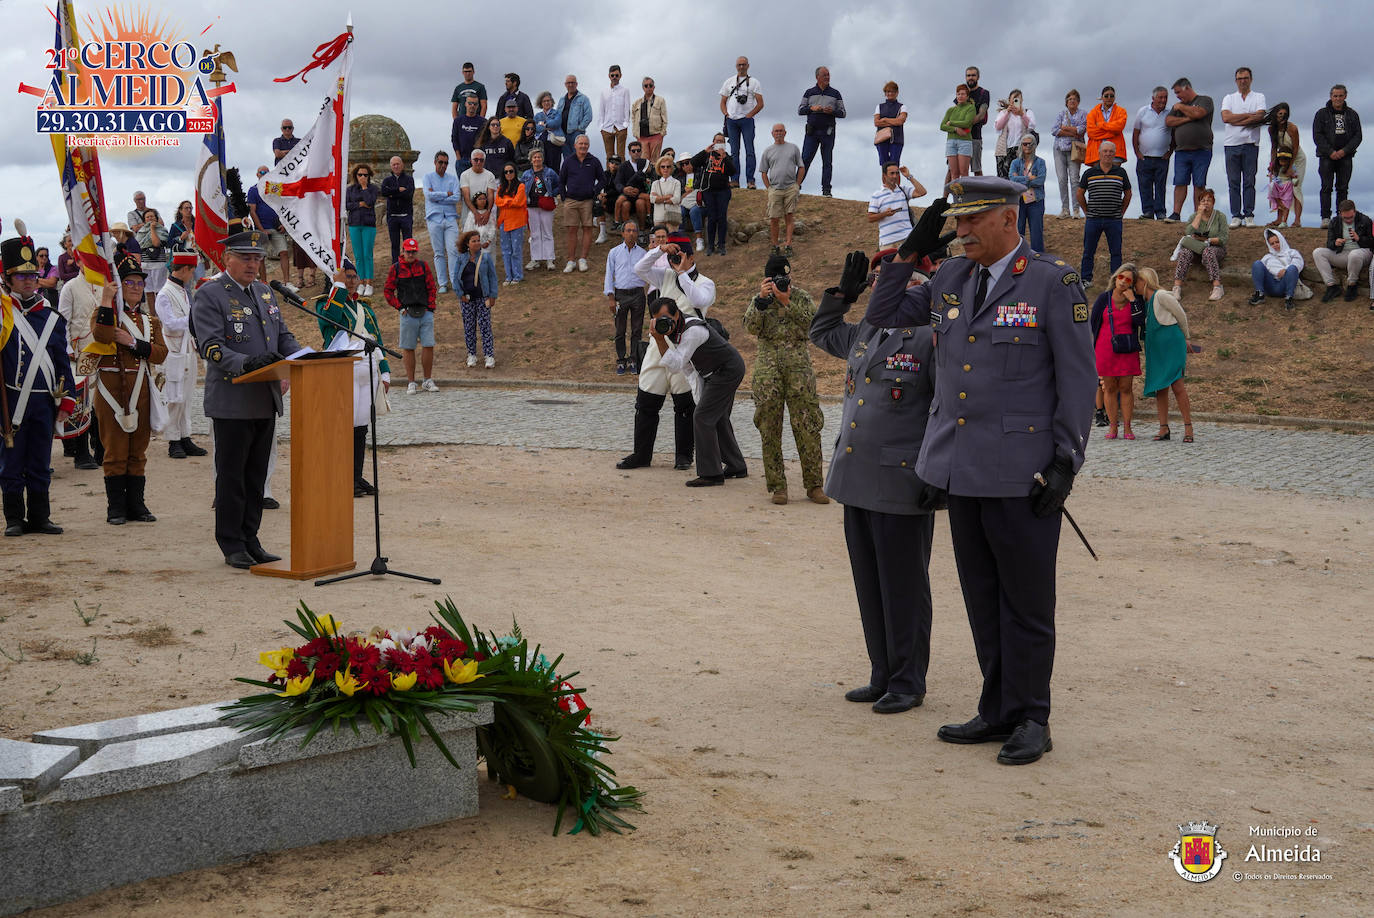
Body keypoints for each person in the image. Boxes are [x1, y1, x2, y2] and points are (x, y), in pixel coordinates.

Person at [864, 177, 1096, 765]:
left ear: (1008, 221)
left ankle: (1031, 717)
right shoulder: (949, 278)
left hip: (1023, 474)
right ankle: (996, 708)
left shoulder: (1051, 282)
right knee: (981, 596)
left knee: (1026, 601)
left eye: (971, 221)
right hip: (959, 469)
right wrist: (909, 251)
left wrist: (1066, 460)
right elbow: (886, 314)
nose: (960, 232)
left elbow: (1077, 381)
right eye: (956, 222)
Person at [811, 249, 937, 714]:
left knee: (903, 584)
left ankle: (908, 680)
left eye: (890, 279)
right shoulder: (867, 330)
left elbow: (944, 410)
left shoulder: (931, 337)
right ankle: (882, 672)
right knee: (870, 582)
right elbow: (821, 331)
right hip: (856, 476)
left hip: (902, 481)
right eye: (878, 279)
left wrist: (937, 473)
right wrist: (842, 294)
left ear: (917, 286)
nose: (880, 286)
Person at [190, 227, 302, 569]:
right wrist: (247, 363)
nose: (253, 264)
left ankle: (251, 537)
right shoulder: (210, 294)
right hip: (232, 399)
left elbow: (283, 336)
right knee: (232, 475)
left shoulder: (265, 293)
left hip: (264, 398)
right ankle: (231, 542)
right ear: (227, 259)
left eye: (257, 258)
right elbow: (211, 347)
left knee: (256, 477)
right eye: (246, 258)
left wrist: (301, 360)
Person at [1, 232, 76, 537]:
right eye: (21, 277)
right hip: (12, 400)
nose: (29, 282)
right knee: (11, 462)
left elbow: (62, 363)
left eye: (32, 276)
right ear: (8, 279)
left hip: (44, 401)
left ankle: (41, 516)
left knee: (40, 460)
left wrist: (67, 399)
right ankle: (15, 519)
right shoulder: (4, 316)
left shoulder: (53, 318)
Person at [92, 252, 168, 525]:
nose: (136, 287)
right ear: (119, 287)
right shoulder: (106, 315)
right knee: (114, 450)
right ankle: (116, 508)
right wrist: (104, 300)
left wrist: (133, 343)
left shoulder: (150, 322)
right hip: (111, 390)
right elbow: (100, 335)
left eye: (139, 283)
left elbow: (160, 353)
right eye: (129, 283)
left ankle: (137, 505)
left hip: (142, 389)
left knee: (138, 449)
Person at [744, 253, 824, 505]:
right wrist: (761, 300)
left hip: (799, 369)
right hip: (768, 371)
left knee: (808, 425)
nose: (780, 281)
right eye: (774, 277)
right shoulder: (760, 300)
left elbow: (813, 327)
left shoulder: (801, 297)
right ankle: (777, 486)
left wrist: (787, 302)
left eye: (784, 276)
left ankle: (814, 485)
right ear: (766, 278)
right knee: (769, 428)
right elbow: (750, 328)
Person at [649, 293, 746, 487]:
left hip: (727, 370)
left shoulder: (692, 331)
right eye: (658, 321)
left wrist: (659, 340)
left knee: (702, 417)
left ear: (677, 315)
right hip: (713, 373)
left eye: (666, 319)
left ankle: (711, 474)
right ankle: (736, 466)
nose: (664, 324)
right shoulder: (676, 330)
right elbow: (688, 368)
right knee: (716, 416)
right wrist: (699, 395)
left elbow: (676, 364)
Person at [314, 261, 390, 496]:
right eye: (347, 276)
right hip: (343, 368)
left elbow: (376, 338)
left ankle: (355, 476)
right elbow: (330, 319)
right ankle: (341, 475)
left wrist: (385, 370)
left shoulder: (365, 308)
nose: (352, 280)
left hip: (367, 369)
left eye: (354, 277)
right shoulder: (324, 304)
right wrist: (338, 286)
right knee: (343, 426)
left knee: (361, 426)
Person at [155, 252, 207, 459]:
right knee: (174, 396)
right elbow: (169, 323)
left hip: (187, 348)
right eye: (192, 270)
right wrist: (195, 318)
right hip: (173, 350)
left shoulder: (182, 291)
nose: (193, 275)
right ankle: (173, 439)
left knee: (186, 395)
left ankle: (185, 435)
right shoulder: (164, 294)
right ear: (185, 269)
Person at [1136, 266, 1195, 443]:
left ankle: (1188, 426)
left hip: (1171, 344)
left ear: (1145, 281)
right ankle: (1163, 427)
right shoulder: (1144, 303)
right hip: (1156, 347)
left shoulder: (1161, 296)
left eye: (1137, 282)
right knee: (1160, 386)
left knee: (1177, 385)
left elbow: (1180, 315)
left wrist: (1187, 337)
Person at [1090, 263, 1145, 440]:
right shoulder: (1103, 298)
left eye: (1128, 279)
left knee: (1126, 387)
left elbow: (1140, 322)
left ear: (1132, 283)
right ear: (1116, 277)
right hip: (1105, 349)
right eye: (1121, 277)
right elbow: (1093, 324)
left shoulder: (1135, 301)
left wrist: (1133, 301)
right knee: (1110, 388)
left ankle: (1127, 427)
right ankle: (1113, 427)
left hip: (1127, 349)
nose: (1123, 281)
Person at [56, 264, 102, 470]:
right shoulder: (70, 287)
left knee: (101, 401)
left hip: (103, 350)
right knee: (83, 402)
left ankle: (100, 448)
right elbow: (63, 322)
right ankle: (81, 452)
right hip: (79, 351)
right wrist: (67, 349)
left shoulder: (104, 286)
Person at [383, 237, 438, 393]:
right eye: (408, 251)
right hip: (407, 312)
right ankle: (411, 382)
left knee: (428, 345)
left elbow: (431, 287)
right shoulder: (396, 268)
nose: (411, 254)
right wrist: (399, 307)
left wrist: (431, 307)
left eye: (414, 251)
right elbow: (388, 291)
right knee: (408, 347)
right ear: (403, 251)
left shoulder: (423, 266)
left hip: (425, 311)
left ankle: (427, 380)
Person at [1077, 140, 1132, 287]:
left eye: (1111, 152)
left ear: (1114, 154)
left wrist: (1122, 211)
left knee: (1116, 252)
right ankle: (1085, 280)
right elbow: (1080, 194)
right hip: (1093, 219)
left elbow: (1128, 193)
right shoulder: (1089, 173)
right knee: (1088, 251)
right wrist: (1086, 211)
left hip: (1114, 220)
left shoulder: (1121, 172)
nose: (1108, 154)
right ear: (1099, 153)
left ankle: (1116, 281)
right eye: (1105, 151)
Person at [1221, 67, 1267, 228]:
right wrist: (1248, 116)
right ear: (1236, 81)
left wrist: (1237, 120)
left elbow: (1260, 116)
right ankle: (1236, 215)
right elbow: (1226, 117)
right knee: (1233, 181)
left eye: (1246, 78)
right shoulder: (1229, 98)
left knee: (1249, 180)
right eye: (1240, 78)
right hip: (1231, 144)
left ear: (1251, 79)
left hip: (1250, 144)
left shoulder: (1259, 97)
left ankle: (1249, 214)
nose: (1243, 81)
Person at [1165, 77, 1215, 222]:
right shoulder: (1177, 106)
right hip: (1181, 151)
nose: (1177, 97)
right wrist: (1187, 118)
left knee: (1199, 184)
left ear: (1187, 88)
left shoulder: (1205, 100)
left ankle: (1197, 215)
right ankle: (1176, 213)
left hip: (1202, 150)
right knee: (1180, 182)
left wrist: (1181, 108)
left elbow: (1199, 113)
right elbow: (1169, 121)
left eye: (1178, 92)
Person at [1313, 85, 1362, 228]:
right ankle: (1325, 218)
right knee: (1326, 187)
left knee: (1342, 188)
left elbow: (1358, 136)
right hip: (1326, 156)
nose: (1338, 99)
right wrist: (1330, 152)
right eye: (1335, 96)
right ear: (1330, 97)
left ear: (1345, 96)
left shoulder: (1352, 114)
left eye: (1340, 96)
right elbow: (1317, 135)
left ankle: (1341, 217)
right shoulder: (1321, 114)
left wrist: (1344, 151)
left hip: (1345, 157)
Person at [605, 220, 647, 375]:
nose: (631, 233)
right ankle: (621, 359)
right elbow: (609, 275)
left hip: (637, 294)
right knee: (620, 330)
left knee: (637, 329)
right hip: (620, 295)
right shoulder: (614, 252)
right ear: (622, 233)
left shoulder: (643, 253)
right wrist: (610, 297)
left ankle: (634, 359)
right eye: (628, 230)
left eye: (634, 231)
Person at [1172, 187, 1228, 301]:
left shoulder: (1220, 217)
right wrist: (1199, 214)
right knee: (1185, 252)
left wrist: (1207, 240)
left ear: (1213, 203)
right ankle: (1176, 287)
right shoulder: (1194, 216)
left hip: (1215, 249)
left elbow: (1223, 238)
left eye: (1209, 200)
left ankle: (1217, 287)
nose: (1206, 203)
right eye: (1203, 200)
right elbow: (1188, 232)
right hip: (1196, 249)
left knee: (1208, 251)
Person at [558, 135, 604, 273]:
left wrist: (594, 191)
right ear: (575, 145)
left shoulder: (594, 161)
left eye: (586, 144)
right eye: (581, 144)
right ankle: (571, 260)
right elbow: (561, 181)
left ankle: (583, 259)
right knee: (571, 230)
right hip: (571, 200)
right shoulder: (568, 161)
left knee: (587, 229)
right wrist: (564, 197)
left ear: (588, 146)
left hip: (587, 201)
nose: (583, 146)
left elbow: (602, 179)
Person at [453, 230, 499, 368]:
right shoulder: (461, 259)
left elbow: (493, 277)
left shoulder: (485, 258)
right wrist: (460, 294)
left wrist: (493, 295)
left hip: (482, 297)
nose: (477, 243)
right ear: (467, 244)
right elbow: (456, 278)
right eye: (474, 241)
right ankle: (471, 354)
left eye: (478, 240)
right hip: (467, 299)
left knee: (485, 327)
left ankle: (489, 355)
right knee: (469, 327)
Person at [1312, 199, 1373, 302]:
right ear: (1340, 214)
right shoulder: (1335, 222)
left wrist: (1359, 239)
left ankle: (1352, 284)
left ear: (1355, 211)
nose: (1348, 220)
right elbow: (1329, 243)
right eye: (1345, 218)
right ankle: (1331, 286)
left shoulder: (1365, 220)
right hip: (1343, 253)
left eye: (1351, 217)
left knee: (1354, 254)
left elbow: (1372, 242)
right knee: (1318, 252)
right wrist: (1335, 243)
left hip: (1362, 253)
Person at [797, 67, 844, 197]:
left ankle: (826, 190)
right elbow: (800, 110)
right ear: (817, 77)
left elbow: (843, 113)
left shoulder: (835, 93)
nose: (827, 77)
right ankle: (796, 186)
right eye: (824, 75)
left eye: (828, 75)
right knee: (805, 159)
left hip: (828, 132)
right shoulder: (809, 92)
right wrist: (812, 108)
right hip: (811, 132)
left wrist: (832, 112)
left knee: (827, 162)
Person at [758, 124, 804, 255]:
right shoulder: (768, 151)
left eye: (781, 131)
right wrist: (769, 188)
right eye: (776, 131)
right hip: (775, 189)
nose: (778, 133)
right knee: (774, 218)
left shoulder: (793, 148)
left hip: (790, 188)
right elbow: (763, 172)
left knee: (789, 216)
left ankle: (788, 245)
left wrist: (797, 185)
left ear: (785, 132)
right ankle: (775, 246)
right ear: (772, 133)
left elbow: (801, 167)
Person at [720, 56, 764, 189]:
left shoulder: (754, 82)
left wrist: (750, 115)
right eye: (739, 65)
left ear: (748, 66)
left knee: (749, 150)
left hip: (746, 121)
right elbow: (722, 101)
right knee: (734, 151)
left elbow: (760, 103)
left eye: (743, 65)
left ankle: (750, 180)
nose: (741, 67)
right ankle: (734, 179)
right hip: (732, 120)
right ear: (736, 66)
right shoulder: (729, 81)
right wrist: (726, 114)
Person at [422, 150, 460, 295]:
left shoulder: (452, 178)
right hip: (434, 218)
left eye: (445, 163)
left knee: (453, 250)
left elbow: (456, 197)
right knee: (438, 253)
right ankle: (443, 283)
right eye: (440, 162)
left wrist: (437, 196)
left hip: (450, 218)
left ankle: (455, 281)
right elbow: (428, 195)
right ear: (435, 162)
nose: (443, 165)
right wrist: (445, 194)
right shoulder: (427, 177)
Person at [247, 165, 292, 287]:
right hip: (262, 228)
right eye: (261, 171)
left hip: (276, 226)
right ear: (257, 174)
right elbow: (252, 211)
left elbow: (282, 206)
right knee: (261, 257)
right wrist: (261, 229)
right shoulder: (253, 190)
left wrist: (284, 223)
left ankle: (287, 282)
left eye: (267, 171)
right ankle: (264, 283)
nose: (264, 173)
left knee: (284, 252)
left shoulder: (275, 189)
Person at [1133, 86, 1172, 220]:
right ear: (1153, 98)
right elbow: (1136, 133)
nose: (1163, 100)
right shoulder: (1142, 112)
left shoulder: (1170, 113)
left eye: (1165, 97)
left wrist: (1170, 152)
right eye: (1160, 97)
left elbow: (1175, 134)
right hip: (1145, 156)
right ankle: (1148, 211)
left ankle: (1160, 211)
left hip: (1162, 157)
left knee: (1161, 186)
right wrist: (1137, 152)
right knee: (1144, 184)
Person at [692, 135, 734, 256]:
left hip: (723, 191)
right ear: (713, 142)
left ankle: (721, 245)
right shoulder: (706, 155)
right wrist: (705, 150)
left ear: (725, 144)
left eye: (722, 141)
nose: (719, 143)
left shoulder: (727, 157)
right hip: (708, 191)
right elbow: (693, 162)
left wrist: (724, 158)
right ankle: (710, 245)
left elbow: (733, 171)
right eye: (717, 141)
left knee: (721, 217)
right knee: (712, 217)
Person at [868, 163, 925, 250]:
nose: (895, 176)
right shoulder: (877, 195)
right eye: (892, 173)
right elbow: (870, 218)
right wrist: (884, 214)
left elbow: (922, 192)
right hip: (887, 243)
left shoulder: (903, 190)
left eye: (897, 173)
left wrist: (909, 176)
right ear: (884, 175)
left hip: (906, 239)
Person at [1266, 102, 1306, 228]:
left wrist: (1290, 167)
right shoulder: (1272, 129)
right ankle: (1279, 219)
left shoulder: (1292, 128)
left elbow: (1295, 148)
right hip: (1281, 158)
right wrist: (1273, 164)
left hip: (1296, 159)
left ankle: (1297, 220)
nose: (1282, 117)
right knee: (1278, 187)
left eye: (1285, 114)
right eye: (1280, 114)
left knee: (1295, 188)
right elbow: (1274, 147)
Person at [522, 148, 560, 271]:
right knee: (534, 233)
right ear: (531, 159)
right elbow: (521, 188)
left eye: (539, 157)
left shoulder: (549, 172)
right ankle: (535, 259)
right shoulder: (526, 174)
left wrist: (551, 194)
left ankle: (549, 259)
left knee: (547, 232)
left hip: (546, 205)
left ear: (542, 159)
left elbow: (559, 184)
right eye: (534, 157)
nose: (537, 159)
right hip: (531, 206)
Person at [1051, 90, 1087, 218]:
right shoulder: (1061, 113)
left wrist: (1065, 128)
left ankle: (1076, 210)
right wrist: (1073, 132)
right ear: (1066, 102)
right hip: (1059, 150)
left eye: (1075, 99)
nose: (1072, 101)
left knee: (1074, 179)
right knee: (1061, 179)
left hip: (1075, 150)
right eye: (1070, 99)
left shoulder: (1083, 114)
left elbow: (1082, 130)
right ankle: (1065, 209)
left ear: (1078, 102)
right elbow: (1054, 130)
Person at [1249, 228, 1303, 310]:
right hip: (1270, 285)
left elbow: (1298, 263)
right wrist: (1275, 272)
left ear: (1281, 240)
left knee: (1292, 268)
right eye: (1272, 243)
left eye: (1277, 242)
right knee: (1257, 263)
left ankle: (1289, 299)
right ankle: (1259, 294)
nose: (1275, 245)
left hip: (1284, 284)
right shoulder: (1267, 257)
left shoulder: (1292, 252)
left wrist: (1285, 270)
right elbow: (1260, 270)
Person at [345, 163, 378, 296]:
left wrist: (364, 188)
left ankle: (369, 284)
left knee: (367, 254)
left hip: (368, 225)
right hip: (354, 225)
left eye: (365, 175)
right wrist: (359, 204)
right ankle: (360, 283)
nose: (363, 177)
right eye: (360, 175)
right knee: (358, 256)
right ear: (355, 175)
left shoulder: (373, 188)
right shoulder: (350, 190)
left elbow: (370, 202)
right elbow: (347, 205)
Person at [1009, 135, 1047, 251]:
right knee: (1018, 232)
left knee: (1036, 233)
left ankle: (1038, 259)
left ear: (1035, 145)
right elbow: (1011, 179)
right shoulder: (1015, 163)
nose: (1027, 146)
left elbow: (1040, 180)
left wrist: (1020, 179)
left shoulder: (1040, 162)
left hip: (1036, 201)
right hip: (1019, 201)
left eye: (1030, 143)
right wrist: (1029, 178)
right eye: (1025, 144)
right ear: (1021, 145)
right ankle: (1017, 257)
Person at [493, 164, 528, 286]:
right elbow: (497, 201)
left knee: (516, 250)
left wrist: (505, 201)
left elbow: (519, 202)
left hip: (517, 222)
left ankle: (517, 275)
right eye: (506, 171)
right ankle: (509, 276)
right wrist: (510, 201)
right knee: (506, 250)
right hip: (504, 222)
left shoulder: (521, 186)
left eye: (511, 171)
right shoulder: (501, 187)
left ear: (515, 172)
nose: (508, 174)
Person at [459, 149, 500, 248]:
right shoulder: (465, 175)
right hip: (469, 211)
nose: (478, 162)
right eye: (476, 160)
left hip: (486, 212)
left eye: (481, 160)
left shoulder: (490, 175)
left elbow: (490, 195)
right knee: (469, 241)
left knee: (488, 241)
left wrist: (488, 212)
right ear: (471, 160)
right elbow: (466, 196)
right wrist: (475, 213)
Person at [379, 155, 415, 265]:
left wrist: (392, 193)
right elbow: (384, 192)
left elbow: (408, 194)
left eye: (398, 164)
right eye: (393, 164)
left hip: (406, 216)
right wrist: (398, 190)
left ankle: (409, 265)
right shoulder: (387, 180)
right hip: (392, 217)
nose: (396, 166)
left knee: (408, 244)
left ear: (402, 165)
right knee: (394, 244)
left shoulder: (409, 179)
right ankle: (396, 267)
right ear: (391, 166)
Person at [992, 89, 1036, 179]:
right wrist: (1007, 112)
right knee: (1003, 179)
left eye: (1018, 99)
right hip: (1004, 150)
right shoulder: (1003, 113)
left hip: (1020, 150)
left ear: (1022, 100)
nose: (1016, 101)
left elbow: (1031, 126)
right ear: (1010, 100)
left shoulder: (1027, 112)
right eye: (1014, 99)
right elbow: (997, 127)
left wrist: (1022, 115)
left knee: (1019, 178)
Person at [614, 141, 653, 229]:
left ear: (641, 151)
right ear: (629, 152)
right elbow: (617, 182)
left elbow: (651, 179)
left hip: (640, 194)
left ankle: (642, 230)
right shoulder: (623, 166)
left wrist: (639, 190)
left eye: (638, 150)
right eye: (633, 151)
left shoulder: (645, 164)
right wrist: (624, 189)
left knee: (641, 203)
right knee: (625, 205)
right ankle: (627, 231)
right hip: (627, 194)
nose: (636, 153)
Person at [1085, 86, 1126, 170]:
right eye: (1106, 95)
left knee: (1113, 178)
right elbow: (1091, 132)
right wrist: (1111, 131)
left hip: (1116, 152)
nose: (1109, 98)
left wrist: (1101, 125)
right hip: (1096, 152)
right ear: (1102, 97)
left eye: (1112, 96)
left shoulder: (1121, 111)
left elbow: (1119, 127)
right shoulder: (1093, 113)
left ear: (1114, 97)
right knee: (1098, 179)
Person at [941, 84, 975, 183]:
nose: (960, 96)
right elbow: (942, 126)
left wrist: (951, 123)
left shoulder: (970, 108)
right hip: (951, 142)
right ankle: (957, 198)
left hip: (964, 142)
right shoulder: (951, 110)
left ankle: (965, 197)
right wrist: (955, 129)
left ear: (967, 96)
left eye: (963, 94)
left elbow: (967, 123)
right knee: (954, 173)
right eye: (958, 94)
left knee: (964, 172)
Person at [630, 76, 668, 164]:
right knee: (644, 161)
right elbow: (633, 118)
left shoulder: (660, 100)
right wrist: (635, 133)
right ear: (643, 87)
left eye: (650, 85)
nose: (648, 88)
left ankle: (654, 178)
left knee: (655, 161)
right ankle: (645, 178)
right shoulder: (636, 103)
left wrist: (662, 133)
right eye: (646, 86)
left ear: (654, 87)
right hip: (642, 137)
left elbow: (664, 118)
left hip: (656, 135)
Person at [598, 65, 631, 163]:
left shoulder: (625, 90)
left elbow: (627, 107)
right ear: (609, 76)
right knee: (609, 156)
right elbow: (601, 110)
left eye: (616, 75)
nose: (614, 77)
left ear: (620, 75)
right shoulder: (604, 92)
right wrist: (601, 126)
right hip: (607, 127)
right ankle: (609, 178)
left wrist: (626, 124)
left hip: (621, 127)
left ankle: (621, 177)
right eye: (612, 75)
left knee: (621, 156)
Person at [963, 66, 992, 176]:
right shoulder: (962, 92)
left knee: (976, 168)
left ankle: (980, 193)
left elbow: (981, 115)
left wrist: (965, 125)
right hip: (960, 137)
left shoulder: (984, 93)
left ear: (978, 77)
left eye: (973, 75)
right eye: (968, 75)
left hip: (975, 136)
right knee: (952, 169)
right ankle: (945, 194)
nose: (970, 78)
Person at [553, 75, 593, 153]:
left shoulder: (583, 98)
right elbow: (557, 115)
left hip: (576, 134)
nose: (570, 85)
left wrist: (580, 129)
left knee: (578, 157)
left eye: (572, 83)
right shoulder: (562, 100)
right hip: (563, 135)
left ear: (576, 84)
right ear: (565, 85)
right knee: (567, 159)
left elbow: (588, 116)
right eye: (568, 83)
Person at [874, 81, 908, 167]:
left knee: (894, 167)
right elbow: (876, 122)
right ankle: (884, 181)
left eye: (892, 91)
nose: (890, 93)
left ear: (897, 93)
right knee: (884, 167)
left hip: (897, 140)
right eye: (888, 92)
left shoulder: (902, 107)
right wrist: (894, 121)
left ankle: (895, 181)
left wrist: (885, 119)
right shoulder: (879, 106)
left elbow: (900, 121)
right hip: (882, 140)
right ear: (885, 93)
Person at [135, 209, 168, 295]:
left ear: (156, 218)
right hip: (145, 264)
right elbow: (138, 246)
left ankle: (160, 308)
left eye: (152, 216)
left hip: (158, 264)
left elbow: (156, 243)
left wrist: (152, 229)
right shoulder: (140, 232)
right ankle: (152, 309)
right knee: (148, 291)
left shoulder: (162, 230)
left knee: (160, 291)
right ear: (144, 220)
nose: (150, 218)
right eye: (147, 217)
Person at [451, 95, 486, 174]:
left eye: (475, 104)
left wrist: (479, 158)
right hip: (462, 160)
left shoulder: (483, 122)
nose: (472, 106)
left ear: (478, 106)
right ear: (465, 104)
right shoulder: (458, 121)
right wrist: (459, 157)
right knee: (463, 185)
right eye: (470, 103)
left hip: (478, 160)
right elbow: (454, 139)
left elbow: (485, 140)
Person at [649, 155, 682, 233]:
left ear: (671, 168)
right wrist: (667, 197)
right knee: (659, 242)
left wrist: (659, 198)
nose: (665, 169)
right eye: (663, 166)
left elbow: (676, 199)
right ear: (659, 168)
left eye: (668, 166)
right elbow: (652, 199)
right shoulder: (655, 183)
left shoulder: (676, 182)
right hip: (658, 216)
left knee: (672, 240)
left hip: (673, 216)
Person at [533, 91, 563, 174]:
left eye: (548, 100)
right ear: (541, 103)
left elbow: (556, 123)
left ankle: (555, 185)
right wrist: (547, 125)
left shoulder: (557, 113)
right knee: (542, 166)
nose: (546, 102)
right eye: (544, 101)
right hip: (541, 143)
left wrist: (543, 124)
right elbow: (535, 128)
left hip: (554, 143)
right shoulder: (537, 116)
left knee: (554, 167)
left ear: (552, 102)